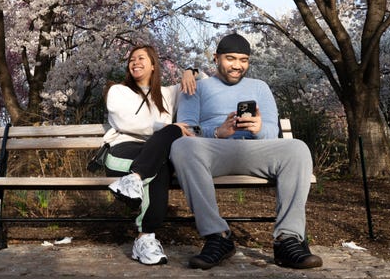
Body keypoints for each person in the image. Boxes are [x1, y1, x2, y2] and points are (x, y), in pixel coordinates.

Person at [171, 33, 323, 270]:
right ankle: (217, 237)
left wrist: (259, 128)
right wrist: (217, 131)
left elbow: (272, 131)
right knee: (181, 146)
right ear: (216, 58)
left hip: (254, 150)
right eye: (230, 58)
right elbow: (186, 129)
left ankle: (287, 239)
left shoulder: (260, 87)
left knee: (297, 148)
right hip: (215, 150)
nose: (237, 65)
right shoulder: (196, 87)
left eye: (243, 60)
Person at [101, 45, 197, 266]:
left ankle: (145, 238)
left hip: (155, 156)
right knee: (170, 133)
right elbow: (125, 122)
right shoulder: (118, 90)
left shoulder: (167, 94)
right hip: (123, 152)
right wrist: (164, 126)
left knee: (162, 159)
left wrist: (190, 71)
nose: (135, 62)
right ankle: (145, 234)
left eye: (141, 58)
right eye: (132, 59)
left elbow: (198, 83)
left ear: (154, 65)